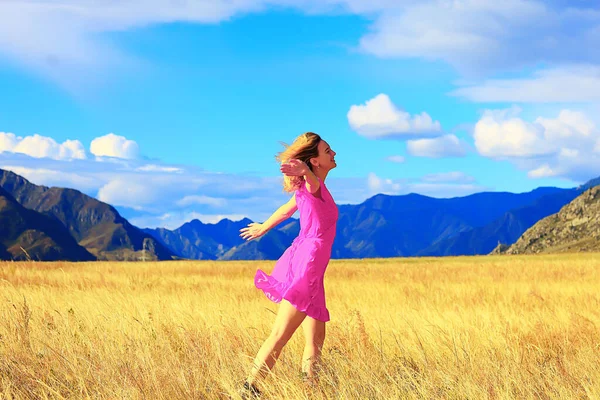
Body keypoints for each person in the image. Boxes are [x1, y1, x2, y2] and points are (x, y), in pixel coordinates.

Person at [239, 132, 338, 397]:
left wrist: (263, 227)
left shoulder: (312, 189)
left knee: (316, 342)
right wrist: (305, 171)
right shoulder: (311, 185)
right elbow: (310, 182)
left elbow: (285, 210)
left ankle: (310, 390)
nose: (333, 154)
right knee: (280, 335)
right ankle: (249, 388)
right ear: (315, 161)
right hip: (307, 266)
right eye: (327, 150)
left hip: (314, 272)